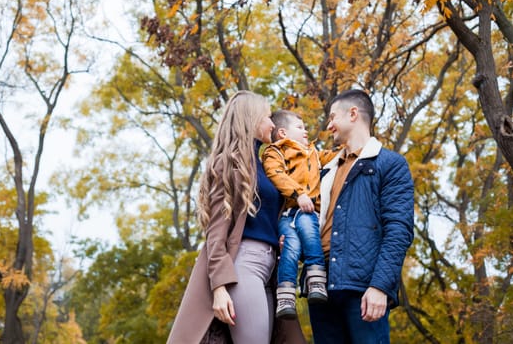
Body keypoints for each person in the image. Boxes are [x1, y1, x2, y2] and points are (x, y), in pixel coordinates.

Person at [167, 91, 305, 344]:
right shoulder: (229, 164)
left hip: (271, 269)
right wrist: (219, 288)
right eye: (266, 117)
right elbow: (216, 233)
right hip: (244, 265)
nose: (272, 124)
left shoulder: (267, 167)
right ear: (250, 119)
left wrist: (282, 238)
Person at [308, 89, 414, 344]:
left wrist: (380, 286)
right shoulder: (325, 170)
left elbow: (399, 230)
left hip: (363, 289)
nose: (329, 124)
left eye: (333, 117)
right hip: (320, 286)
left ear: (353, 114)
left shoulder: (390, 164)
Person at [262, 110, 338, 320]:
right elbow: (275, 174)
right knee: (291, 249)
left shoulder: (313, 153)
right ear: (283, 133)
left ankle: (315, 280)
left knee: (308, 233)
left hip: (308, 211)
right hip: (290, 211)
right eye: (300, 127)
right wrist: (298, 194)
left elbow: (334, 157)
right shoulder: (275, 152)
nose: (306, 131)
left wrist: (347, 146)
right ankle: (286, 294)